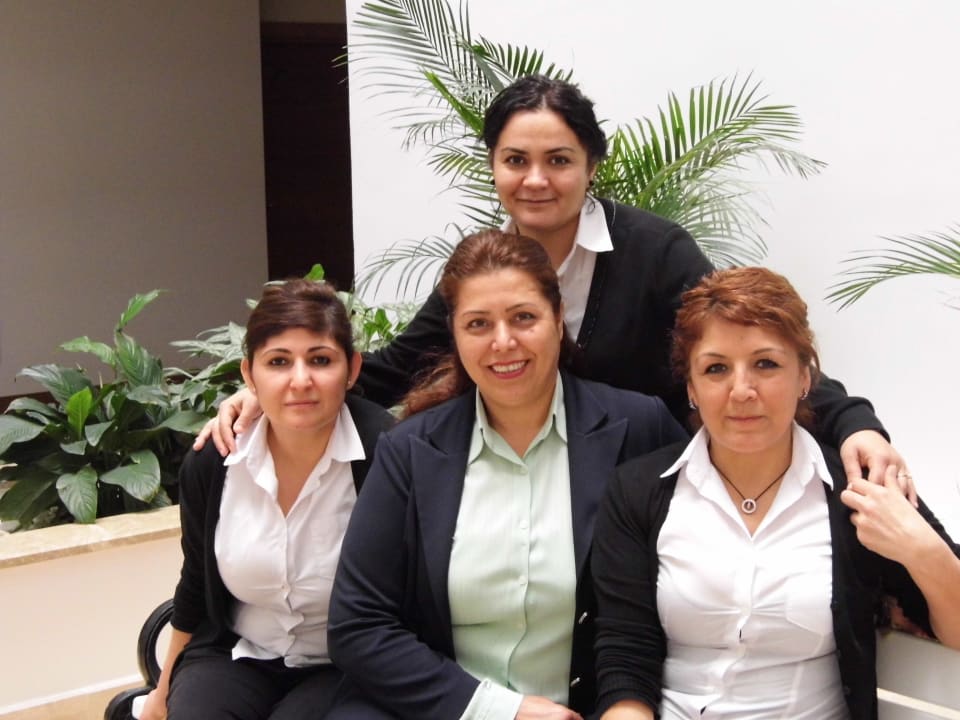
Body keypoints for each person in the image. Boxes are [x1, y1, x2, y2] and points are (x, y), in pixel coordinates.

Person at [198, 74, 910, 495]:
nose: (535, 180)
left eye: (559, 160)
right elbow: (393, 368)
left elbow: (749, 344)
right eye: (515, 160)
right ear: (493, 166)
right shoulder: (484, 272)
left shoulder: (653, 250)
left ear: (592, 164)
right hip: (530, 482)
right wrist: (268, 391)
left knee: (862, 480)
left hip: (654, 477)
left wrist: (857, 423)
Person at [324, 230, 689, 719]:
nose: (503, 342)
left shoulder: (639, 429)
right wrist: (498, 710)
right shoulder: (409, 450)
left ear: (558, 318)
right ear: (454, 334)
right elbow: (357, 624)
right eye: (478, 324)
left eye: (523, 318)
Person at [590, 267, 960, 720]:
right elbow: (626, 655)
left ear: (805, 378)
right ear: (691, 388)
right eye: (716, 368)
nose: (742, 391)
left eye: (766, 364)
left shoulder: (856, 489)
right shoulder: (638, 490)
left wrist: (923, 551)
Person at [139, 280, 394, 720]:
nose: (300, 380)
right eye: (278, 362)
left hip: (347, 664)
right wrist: (161, 696)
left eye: (320, 360)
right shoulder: (213, 461)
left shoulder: (387, 454)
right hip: (237, 652)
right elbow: (195, 585)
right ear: (249, 375)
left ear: (352, 369)